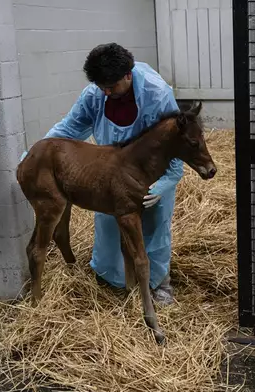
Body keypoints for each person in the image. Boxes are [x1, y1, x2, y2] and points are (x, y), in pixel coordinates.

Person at [29, 43, 183, 305]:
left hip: (150, 175)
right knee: (109, 225)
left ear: (128, 75)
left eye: (111, 87)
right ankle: (112, 278)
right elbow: (69, 128)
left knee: (154, 226)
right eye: (102, 87)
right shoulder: (97, 93)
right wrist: (32, 156)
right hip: (110, 174)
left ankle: (159, 283)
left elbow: (175, 142)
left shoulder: (156, 95)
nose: (106, 92)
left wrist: (165, 183)